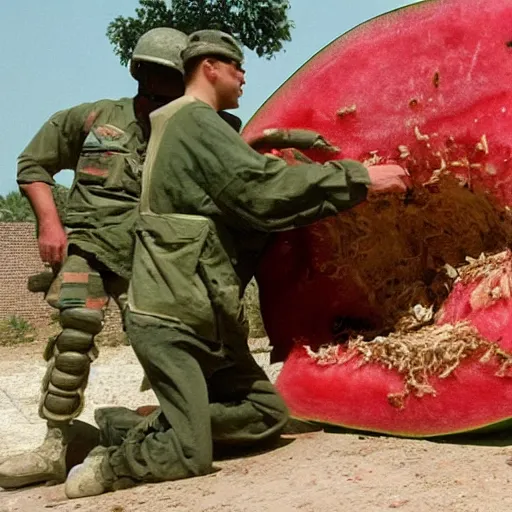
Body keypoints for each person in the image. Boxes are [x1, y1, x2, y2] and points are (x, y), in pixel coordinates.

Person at [64, 29, 409, 499]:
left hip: (208, 315)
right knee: (189, 454)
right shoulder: (192, 121)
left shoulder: (193, 125)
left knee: (266, 415)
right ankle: (114, 463)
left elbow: (234, 193)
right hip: (172, 316)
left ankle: (121, 427)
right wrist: (359, 178)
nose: (244, 76)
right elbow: (258, 192)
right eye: (236, 66)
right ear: (209, 67)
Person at [0, 28, 190, 490]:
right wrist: (50, 223)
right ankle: (55, 444)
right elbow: (32, 165)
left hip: (154, 258)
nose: (158, 82)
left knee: (165, 344)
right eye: (153, 72)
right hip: (89, 249)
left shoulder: (194, 128)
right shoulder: (94, 118)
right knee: (73, 340)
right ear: (139, 72)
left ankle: (175, 431)